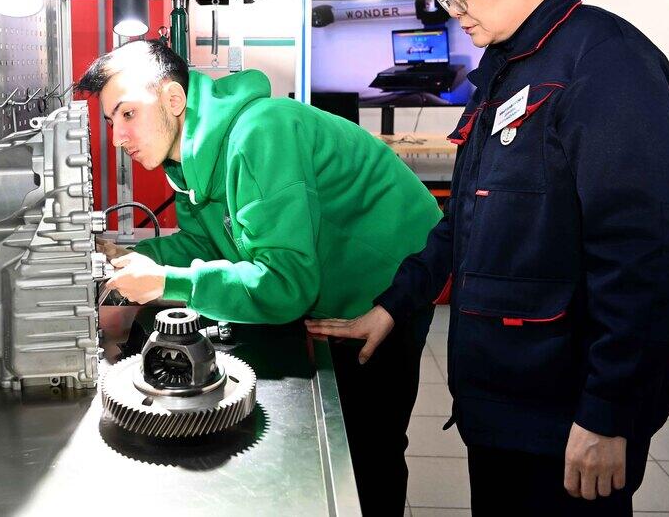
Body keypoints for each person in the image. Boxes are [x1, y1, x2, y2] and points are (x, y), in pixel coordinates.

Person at [306, 0, 669, 516]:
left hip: (568, 410)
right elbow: (465, 219)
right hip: (503, 401)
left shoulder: (606, 65)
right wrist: (394, 306)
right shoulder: (506, 67)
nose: (454, 8)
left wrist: (609, 413)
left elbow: (641, 256)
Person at [75, 39, 442, 515]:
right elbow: (205, 243)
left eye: (128, 113)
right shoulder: (189, 163)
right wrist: (129, 258)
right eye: (112, 121)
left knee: (366, 450)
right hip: (328, 289)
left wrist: (167, 283)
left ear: (173, 99)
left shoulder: (261, 133)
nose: (118, 137)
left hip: (388, 290)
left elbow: (286, 283)